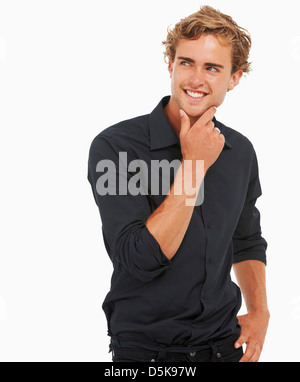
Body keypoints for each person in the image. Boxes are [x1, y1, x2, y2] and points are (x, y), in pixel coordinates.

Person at [87, 5, 270, 362]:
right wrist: (195, 165)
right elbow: (139, 259)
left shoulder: (240, 151)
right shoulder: (116, 147)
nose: (196, 79)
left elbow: (246, 240)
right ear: (170, 64)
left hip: (224, 348)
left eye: (212, 67)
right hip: (146, 355)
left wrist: (260, 311)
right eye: (186, 62)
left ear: (235, 77)